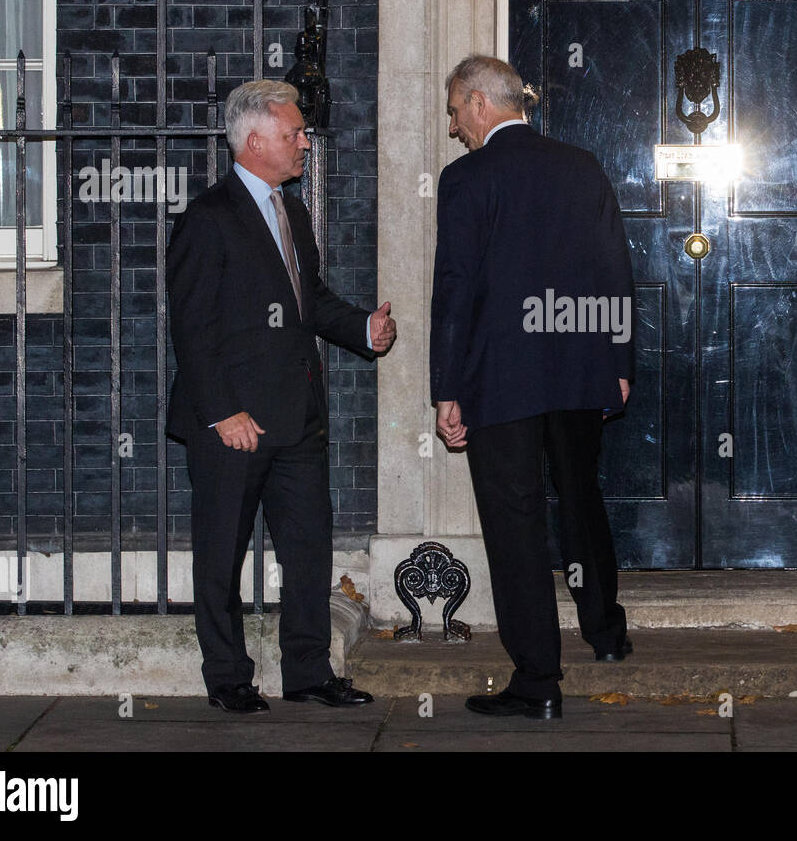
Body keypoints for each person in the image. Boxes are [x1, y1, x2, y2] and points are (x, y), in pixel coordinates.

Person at [166, 79, 396, 713]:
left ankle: (307, 672)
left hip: (295, 420)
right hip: (232, 422)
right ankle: (229, 678)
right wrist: (219, 412)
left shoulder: (290, 211)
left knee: (307, 550)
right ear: (255, 140)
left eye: (302, 133)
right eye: (294, 133)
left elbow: (308, 303)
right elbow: (191, 327)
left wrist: (363, 330)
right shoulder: (207, 218)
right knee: (221, 552)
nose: (304, 143)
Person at [431, 55, 635, 720]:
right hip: (580, 367)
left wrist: (447, 386)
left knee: (515, 522)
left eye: (457, 110)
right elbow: (615, 268)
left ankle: (538, 682)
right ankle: (606, 635)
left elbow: (456, 293)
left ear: (480, 103)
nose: (455, 124)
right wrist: (620, 360)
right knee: (580, 497)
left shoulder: (466, 179)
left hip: (502, 376)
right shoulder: (582, 167)